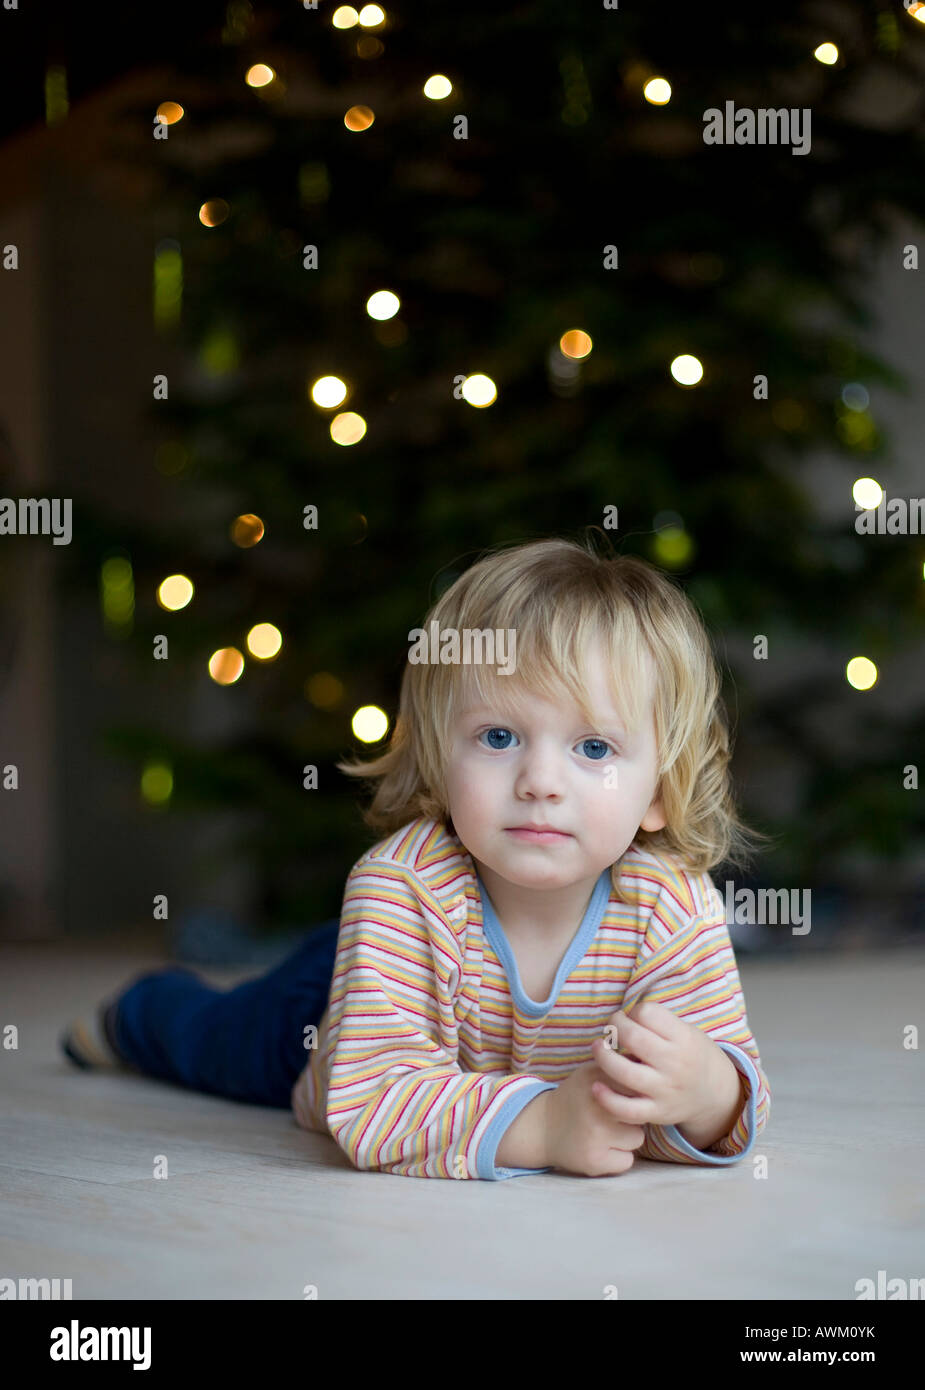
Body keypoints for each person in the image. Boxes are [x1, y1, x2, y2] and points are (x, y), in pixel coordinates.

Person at [61, 534, 772, 1180]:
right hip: (349, 993)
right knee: (219, 1042)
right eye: (498, 737)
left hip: (427, 986)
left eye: (593, 749)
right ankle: (139, 1013)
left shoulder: (671, 903)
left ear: (658, 792)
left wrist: (708, 1090)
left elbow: (727, 1087)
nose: (540, 782)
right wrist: (544, 1127)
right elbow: (370, 1102)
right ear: (437, 756)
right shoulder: (400, 885)